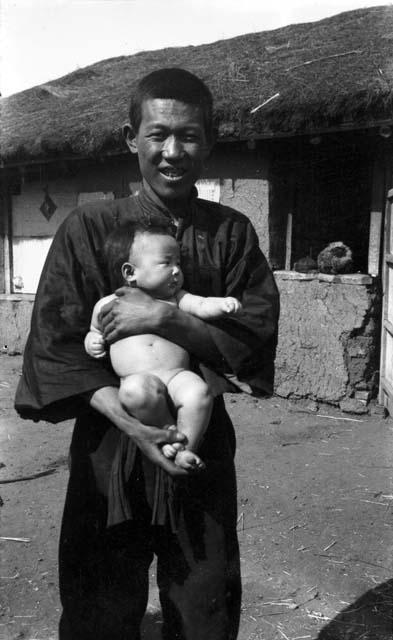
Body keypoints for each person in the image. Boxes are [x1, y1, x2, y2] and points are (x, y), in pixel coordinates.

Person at [15, 67, 279, 640]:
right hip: (109, 446)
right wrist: (134, 428)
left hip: (197, 440)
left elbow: (254, 330)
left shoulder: (232, 233)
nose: (173, 151)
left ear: (209, 139)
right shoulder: (89, 229)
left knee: (203, 607)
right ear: (130, 137)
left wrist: (161, 315)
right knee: (99, 608)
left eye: (189, 135)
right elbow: (58, 346)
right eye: (158, 134)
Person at [84, 221, 242, 471]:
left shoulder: (176, 299)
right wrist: (92, 341)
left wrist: (222, 305)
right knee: (134, 392)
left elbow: (201, 305)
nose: (177, 270)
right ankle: (168, 430)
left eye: (178, 263)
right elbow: (95, 330)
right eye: (166, 263)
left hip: (177, 375)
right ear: (130, 272)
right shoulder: (109, 304)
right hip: (138, 378)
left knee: (199, 393)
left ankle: (186, 449)